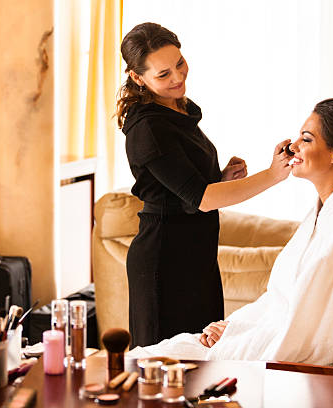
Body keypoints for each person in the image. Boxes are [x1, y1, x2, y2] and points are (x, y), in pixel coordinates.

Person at [128, 98, 333, 365]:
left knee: (144, 364)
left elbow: (314, 335)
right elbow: (281, 302)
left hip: (281, 366)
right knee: (143, 358)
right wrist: (232, 327)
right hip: (261, 340)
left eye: (307, 139)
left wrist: (235, 340)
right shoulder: (326, 214)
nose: (293, 146)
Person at [116, 22, 292, 347]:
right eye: (163, 74)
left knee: (205, 362)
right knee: (166, 371)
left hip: (197, 255)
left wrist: (221, 178)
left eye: (179, 63)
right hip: (165, 260)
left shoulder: (174, 107)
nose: (178, 78)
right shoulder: (149, 128)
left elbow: (185, 190)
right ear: (137, 78)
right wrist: (272, 175)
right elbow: (202, 199)